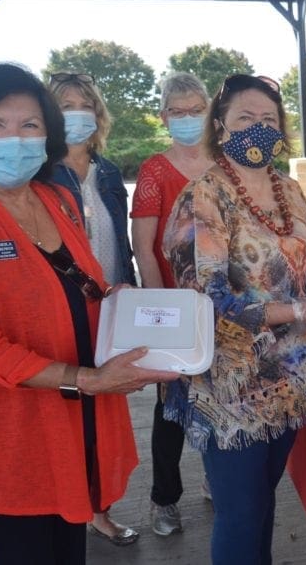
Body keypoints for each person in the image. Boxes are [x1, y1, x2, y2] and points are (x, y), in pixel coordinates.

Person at [0, 63, 179, 565]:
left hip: (77, 428)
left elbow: (86, 289)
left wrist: (128, 310)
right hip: (12, 439)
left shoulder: (56, 200)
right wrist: (88, 379)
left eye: (30, 125)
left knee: (67, 551)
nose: (16, 137)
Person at [162, 74, 306, 565]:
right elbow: (204, 296)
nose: (259, 128)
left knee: (264, 502)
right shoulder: (203, 197)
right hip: (234, 386)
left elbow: (305, 256)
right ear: (221, 126)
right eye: (246, 118)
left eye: (268, 119)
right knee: (241, 513)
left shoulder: (289, 188)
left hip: (294, 380)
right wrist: (296, 310)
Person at [48, 71, 139, 546]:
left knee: (105, 418)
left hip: (110, 305)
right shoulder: (39, 174)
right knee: (69, 411)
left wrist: (129, 287)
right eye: (64, 104)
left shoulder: (105, 171)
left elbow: (118, 240)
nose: (76, 113)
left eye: (84, 103)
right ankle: (67, 508)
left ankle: (99, 509)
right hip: (64, 310)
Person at [130, 71, 212, 537]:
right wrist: (163, 306)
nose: (186, 118)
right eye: (176, 112)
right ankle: (165, 498)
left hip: (224, 305)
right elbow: (144, 244)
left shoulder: (225, 164)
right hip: (176, 302)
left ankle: (216, 480)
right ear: (164, 116)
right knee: (172, 404)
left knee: (221, 397)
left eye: (194, 110)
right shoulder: (154, 172)